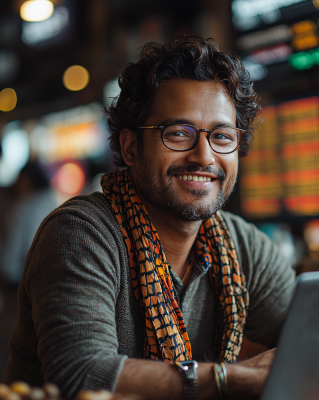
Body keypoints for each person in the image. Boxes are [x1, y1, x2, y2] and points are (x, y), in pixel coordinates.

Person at [5, 36, 295, 400]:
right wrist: (228, 377)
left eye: (221, 137)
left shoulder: (241, 245)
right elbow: (82, 374)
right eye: (178, 133)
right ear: (130, 148)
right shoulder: (80, 233)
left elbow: (316, 337)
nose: (203, 156)